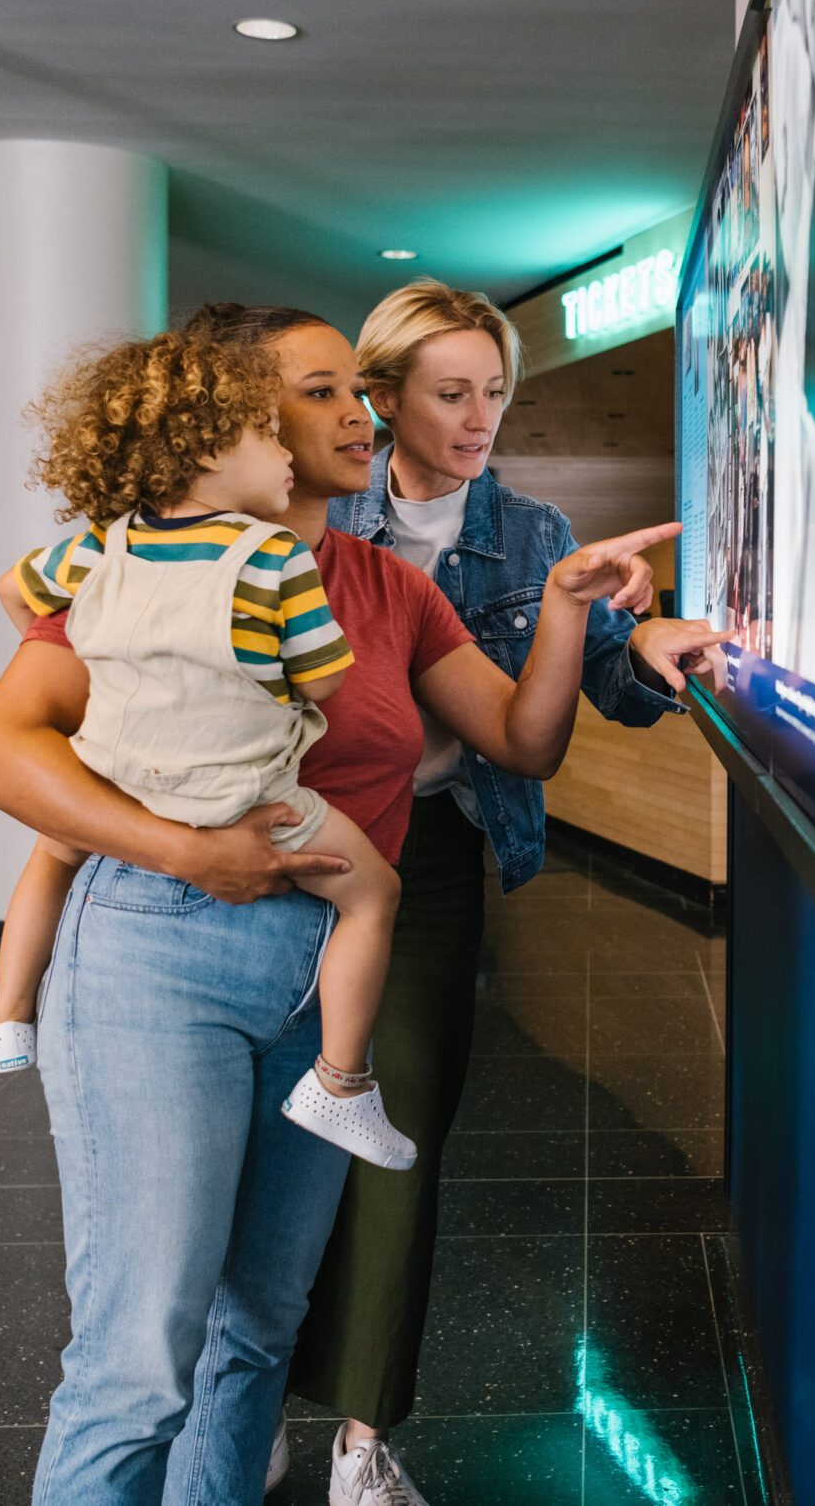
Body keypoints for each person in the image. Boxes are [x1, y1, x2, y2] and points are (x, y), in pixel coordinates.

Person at [0, 303, 697, 1506]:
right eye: (319, 394)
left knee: (256, 1332)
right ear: (233, 421)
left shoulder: (383, 587)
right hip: (158, 952)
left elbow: (520, 740)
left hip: (318, 978)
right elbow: (2, 756)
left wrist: (565, 606)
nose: (356, 415)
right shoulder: (137, 561)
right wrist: (184, 849)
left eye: (356, 390)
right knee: (141, 1362)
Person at [279, 279, 724, 1505]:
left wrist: (641, 642)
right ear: (382, 396)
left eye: (496, 392)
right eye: (451, 392)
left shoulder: (530, 533)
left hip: (425, 855)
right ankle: (250, 1386)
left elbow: (578, 689)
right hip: (290, 844)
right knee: (257, 1127)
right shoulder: (306, 514)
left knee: (392, 1132)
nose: (480, 417)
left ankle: (363, 1442)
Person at [0, 327, 413, 1169]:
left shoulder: (109, 544)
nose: (287, 447)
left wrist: (111, 651)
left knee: (49, 856)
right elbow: (323, 681)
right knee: (376, 895)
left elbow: (12, 591)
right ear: (213, 445)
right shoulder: (273, 553)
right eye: (272, 425)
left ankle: (6, 1012)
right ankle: (342, 1079)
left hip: (122, 777)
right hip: (236, 804)